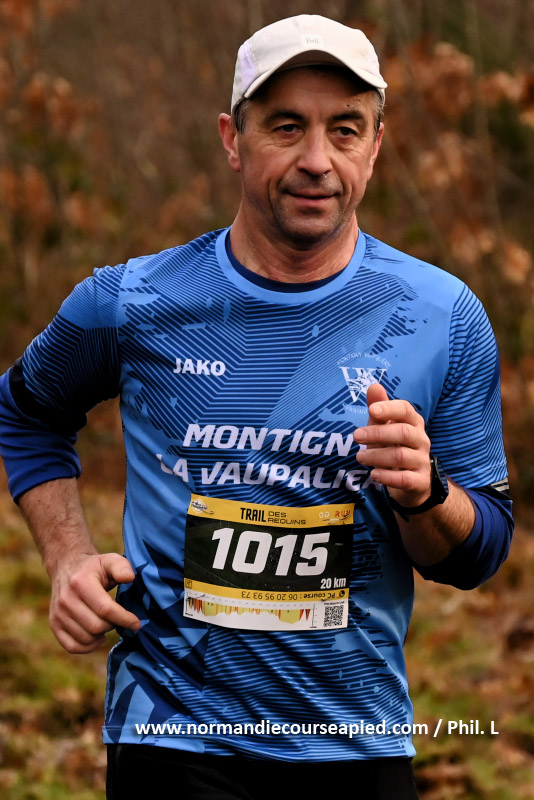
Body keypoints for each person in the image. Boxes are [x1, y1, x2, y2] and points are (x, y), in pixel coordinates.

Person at [0, 14, 513, 800]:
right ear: (232, 139)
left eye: (345, 130)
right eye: (286, 126)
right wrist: (67, 556)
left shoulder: (443, 316)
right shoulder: (132, 301)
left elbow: (480, 552)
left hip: (355, 743)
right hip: (173, 736)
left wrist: (425, 494)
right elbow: (26, 412)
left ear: (376, 146)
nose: (317, 160)